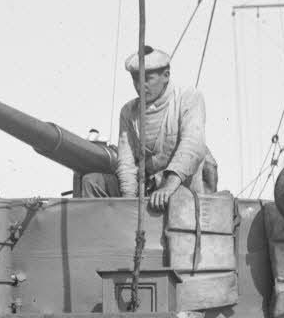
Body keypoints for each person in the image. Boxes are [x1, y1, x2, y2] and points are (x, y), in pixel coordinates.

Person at [81, 46, 219, 208]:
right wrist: (129, 203)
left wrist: (169, 186)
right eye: (135, 79)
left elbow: (192, 146)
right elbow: (126, 163)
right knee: (91, 182)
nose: (140, 85)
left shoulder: (188, 98)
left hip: (182, 187)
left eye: (148, 78)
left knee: (179, 197)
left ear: (166, 76)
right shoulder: (129, 111)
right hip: (146, 188)